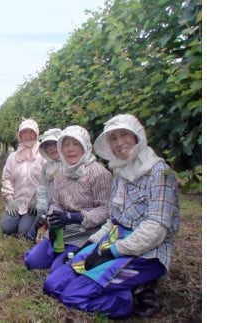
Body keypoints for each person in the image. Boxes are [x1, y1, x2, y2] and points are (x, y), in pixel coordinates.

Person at [43, 114, 180, 319]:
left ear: (137, 137)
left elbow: (155, 230)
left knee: (73, 296)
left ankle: (124, 301)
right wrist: (91, 243)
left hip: (145, 253)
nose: (119, 143)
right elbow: (114, 219)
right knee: (52, 285)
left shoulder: (159, 173)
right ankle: (121, 286)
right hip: (114, 240)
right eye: (113, 138)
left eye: (124, 135)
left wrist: (112, 251)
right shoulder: (120, 171)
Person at [24, 125, 112, 272]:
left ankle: (73, 257)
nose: (70, 149)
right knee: (32, 261)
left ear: (85, 146)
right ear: (61, 149)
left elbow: (106, 210)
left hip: (85, 231)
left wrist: (76, 217)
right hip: (62, 230)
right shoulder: (63, 172)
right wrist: (53, 219)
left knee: (57, 269)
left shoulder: (99, 173)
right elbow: (56, 202)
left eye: (75, 144)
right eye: (66, 145)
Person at [0, 118, 46, 238]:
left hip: (33, 205)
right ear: (20, 135)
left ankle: (31, 221)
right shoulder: (13, 157)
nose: (28, 135)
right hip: (17, 202)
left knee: (23, 232)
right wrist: (9, 198)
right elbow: (7, 178)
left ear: (36, 134)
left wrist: (38, 200)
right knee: (6, 228)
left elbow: (47, 181)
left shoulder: (43, 155)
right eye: (25, 132)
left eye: (31, 132)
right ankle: (16, 217)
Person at [24, 127, 63, 241]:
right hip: (48, 208)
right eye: (48, 146)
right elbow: (41, 189)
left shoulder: (69, 166)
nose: (52, 149)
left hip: (63, 211)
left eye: (54, 144)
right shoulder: (46, 166)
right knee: (30, 233)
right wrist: (40, 207)